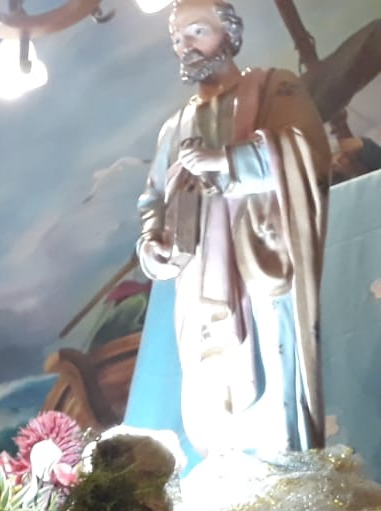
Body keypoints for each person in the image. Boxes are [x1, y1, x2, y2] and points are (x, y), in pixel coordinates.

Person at [136, 0, 330, 456]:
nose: (185, 46)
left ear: (229, 34)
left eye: (197, 32)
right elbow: (152, 198)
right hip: (198, 275)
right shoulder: (174, 127)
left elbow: (306, 152)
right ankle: (227, 465)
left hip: (260, 254)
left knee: (274, 368)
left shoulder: (275, 87)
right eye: (177, 38)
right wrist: (151, 241)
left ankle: (287, 465)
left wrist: (224, 160)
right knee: (210, 378)